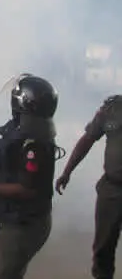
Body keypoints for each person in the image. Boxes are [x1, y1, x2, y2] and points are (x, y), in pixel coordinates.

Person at [0, 74, 59, 279]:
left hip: (23, 226)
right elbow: (15, 173)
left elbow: (26, 189)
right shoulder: (30, 134)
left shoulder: (33, 143)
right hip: (22, 221)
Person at [56, 95, 122, 279]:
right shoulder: (112, 109)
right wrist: (67, 171)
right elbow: (88, 139)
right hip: (112, 189)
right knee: (103, 250)